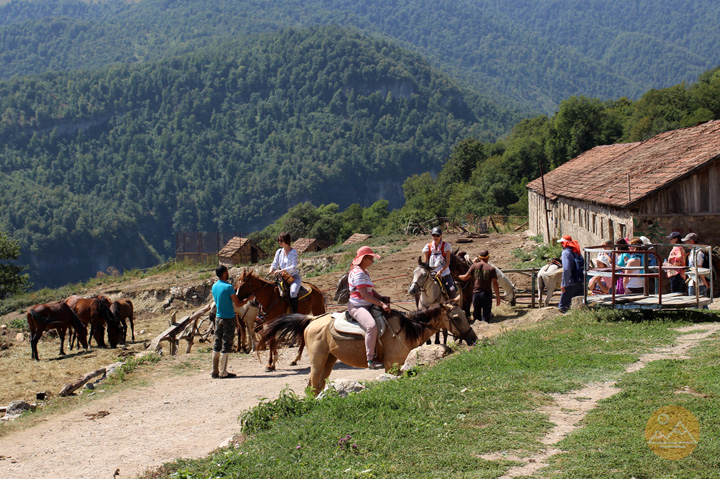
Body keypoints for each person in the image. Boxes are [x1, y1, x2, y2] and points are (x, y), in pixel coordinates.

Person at [347, 246, 392, 369]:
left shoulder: (365, 272)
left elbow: (370, 291)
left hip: (367, 304)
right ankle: (370, 359)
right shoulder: (358, 273)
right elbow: (365, 295)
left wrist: (381, 297)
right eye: (371, 258)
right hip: (357, 306)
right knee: (371, 326)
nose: (372, 261)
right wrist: (381, 304)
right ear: (364, 259)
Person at [211, 265, 242, 379]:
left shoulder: (214, 286)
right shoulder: (229, 287)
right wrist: (248, 299)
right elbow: (237, 304)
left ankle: (214, 370)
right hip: (228, 317)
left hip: (218, 317)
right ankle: (223, 371)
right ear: (224, 273)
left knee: (217, 343)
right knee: (227, 343)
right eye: (227, 272)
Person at [457, 249, 500, 323]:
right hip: (486, 295)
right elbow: (495, 283)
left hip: (476, 294)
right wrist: (498, 296)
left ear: (479, 257)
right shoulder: (491, 268)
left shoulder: (474, 266)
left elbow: (465, 278)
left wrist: (457, 276)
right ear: (488, 257)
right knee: (486, 317)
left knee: (476, 317)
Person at [269, 231, 301, 313]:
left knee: (293, 292)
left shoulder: (293, 252)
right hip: (282, 278)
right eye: (279, 240)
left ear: (287, 241)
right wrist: (272, 268)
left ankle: (294, 314)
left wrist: (281, 270)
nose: (279, 242)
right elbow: (275, 263)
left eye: (281, 240)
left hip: (293, 278)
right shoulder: (279, 252)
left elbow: (294, 267)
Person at [422, 227, 458, 299]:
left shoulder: (446, 246)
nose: (435, 237)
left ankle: (452, 306)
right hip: (431, 274)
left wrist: (440, 272)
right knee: (419, 290)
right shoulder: (427, 246)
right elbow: (426, 262)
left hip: (444, 273)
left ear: (441, 236)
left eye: (437, 235)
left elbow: (447, 263)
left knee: (452, 290)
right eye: (433, 235)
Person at [557, 235, 584, 313]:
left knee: (563, 306)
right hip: (579, 281)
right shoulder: (577, 252)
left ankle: (562, 322)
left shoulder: (566, 253)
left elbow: (566, 269)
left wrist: (564, 284)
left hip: (570, 283)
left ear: (563, 244)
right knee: (579, 305)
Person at [683, 233, 710, 298]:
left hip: (698, 283)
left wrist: (705, 283)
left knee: (697, 304)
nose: (686, 243)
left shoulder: (698, 253)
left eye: (687, 241)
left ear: (692, 241)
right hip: (694, 282)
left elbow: (699, 269)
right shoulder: (693, 251)